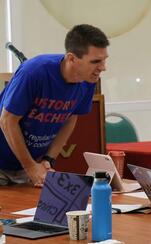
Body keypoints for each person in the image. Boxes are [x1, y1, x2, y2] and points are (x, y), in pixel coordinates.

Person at [0, 24, 109, 187]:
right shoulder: (34, 72)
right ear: (72, 58)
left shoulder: (87, 80)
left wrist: (48, 159)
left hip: (26, 165)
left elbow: (71, 118)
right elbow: (7, 121)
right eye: (95, 61)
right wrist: (30, 166)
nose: (103, 68)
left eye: (104, 60)